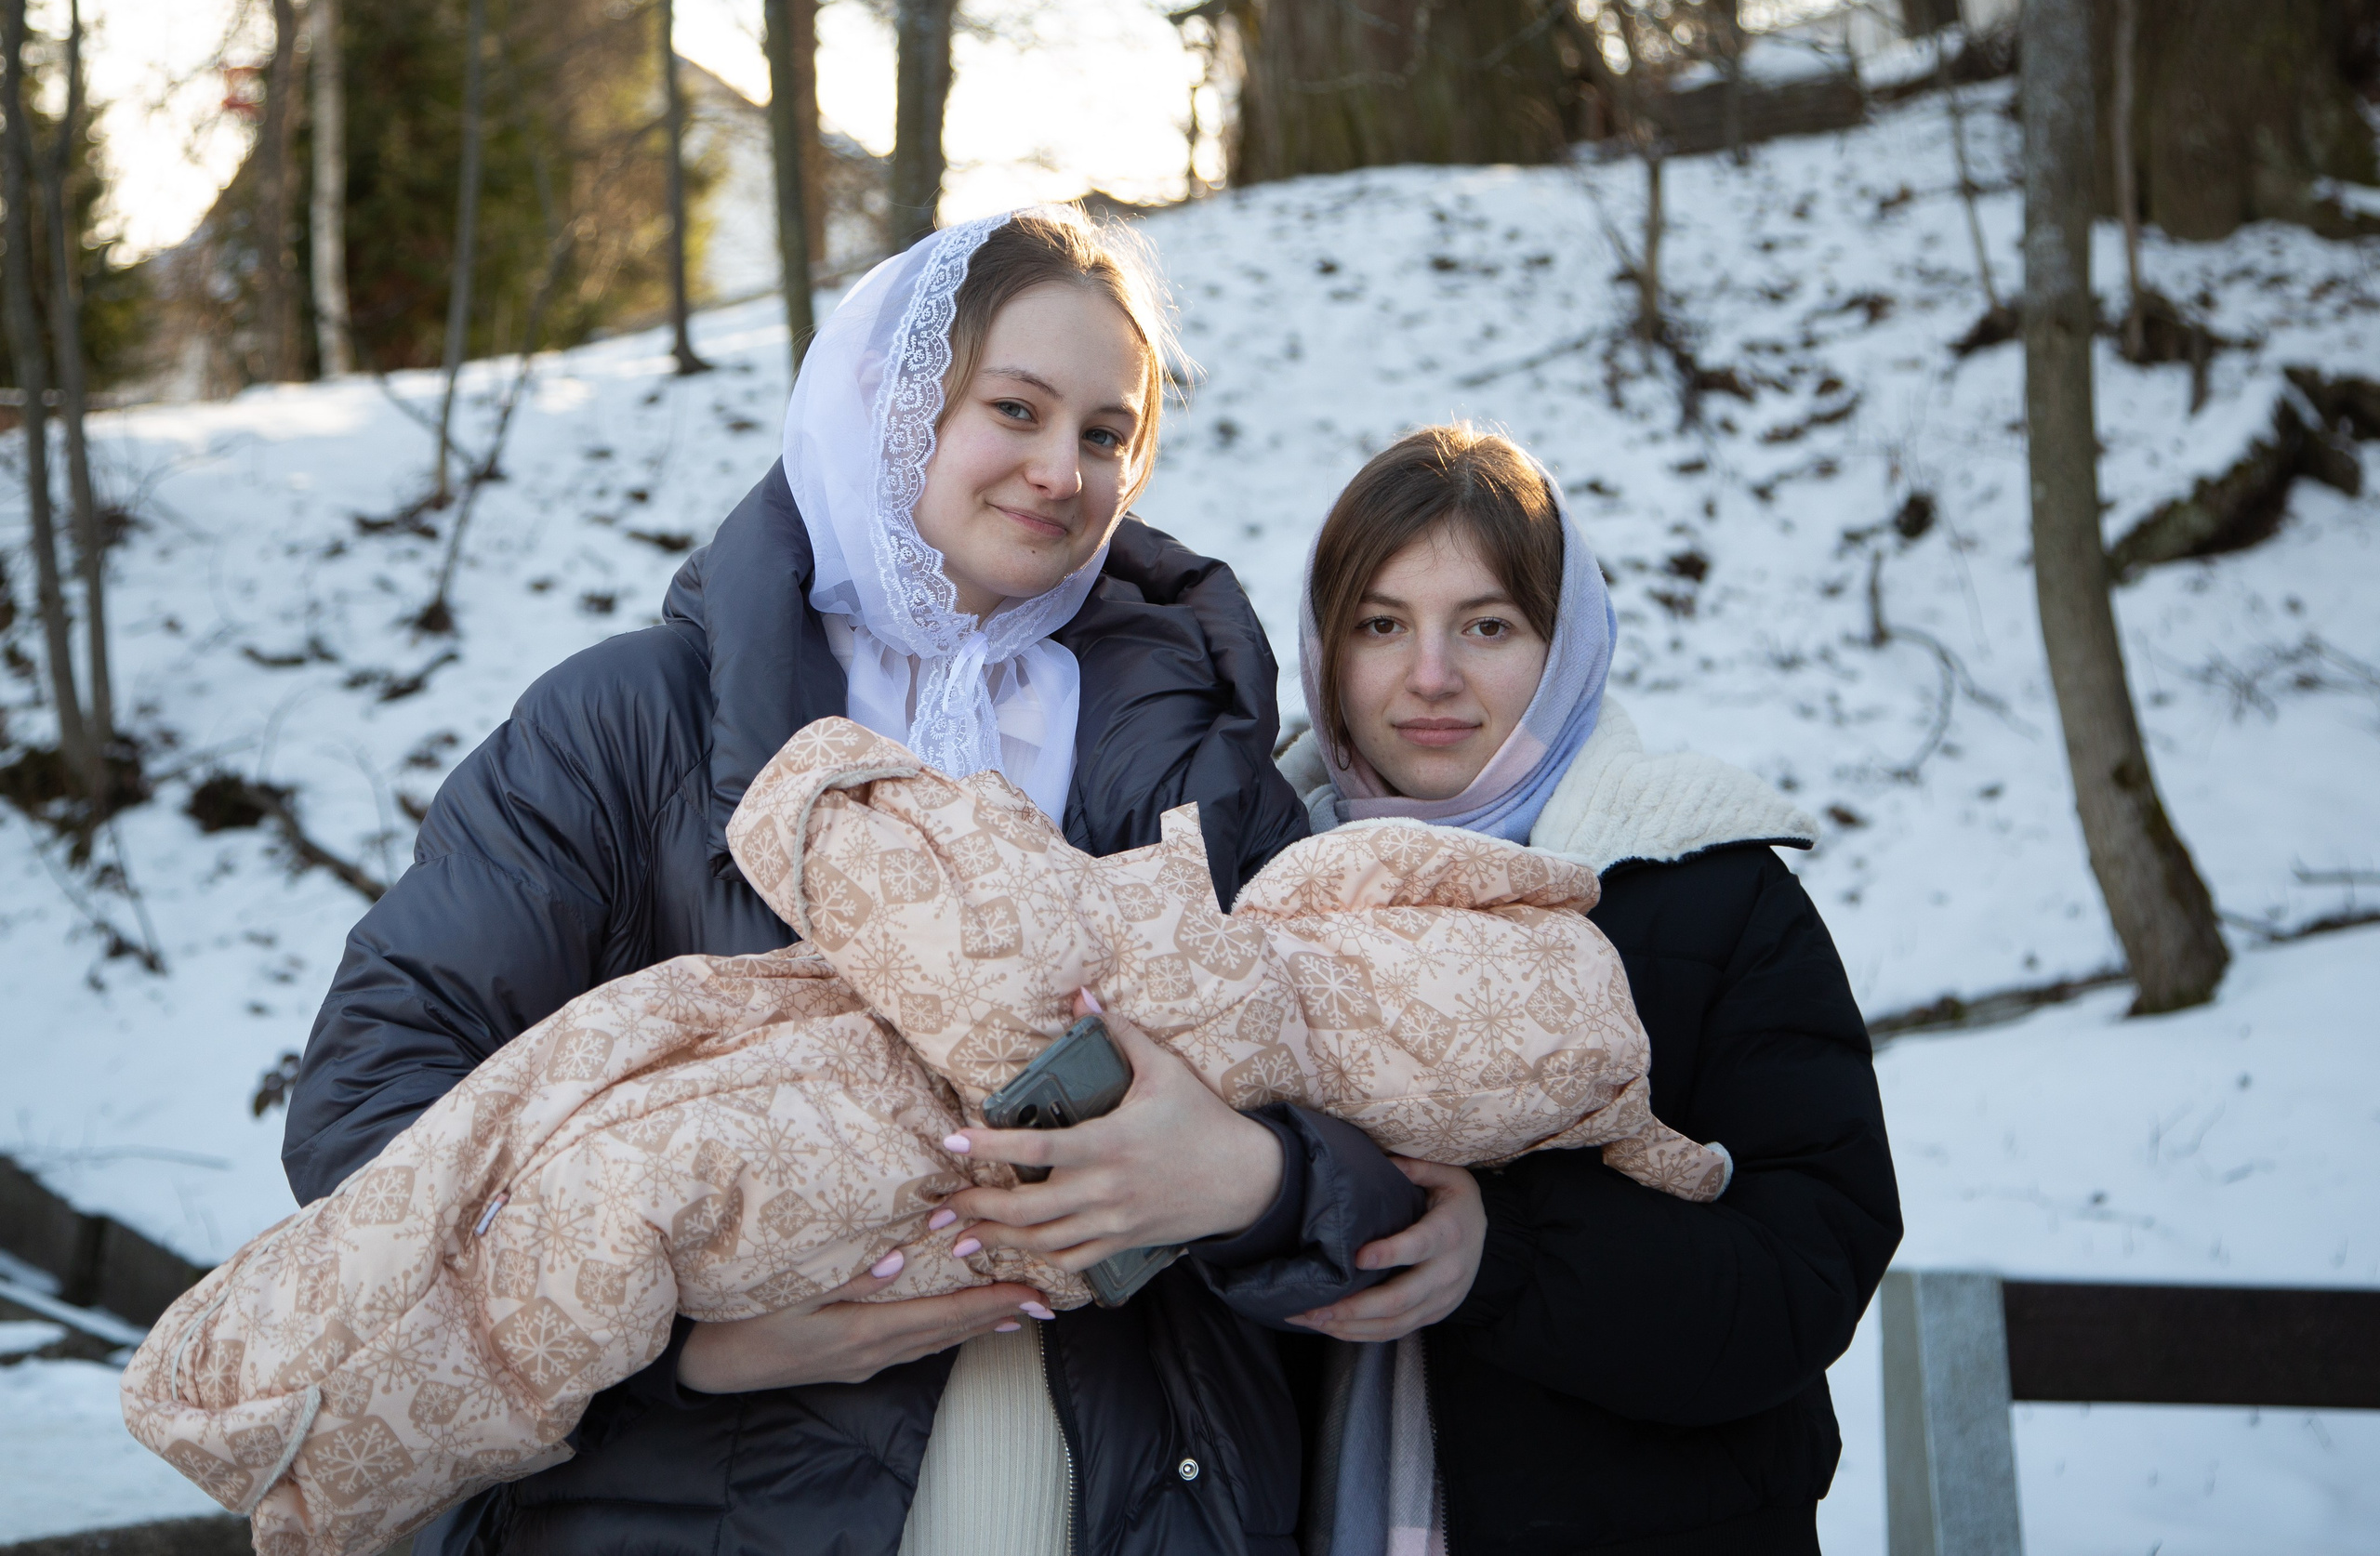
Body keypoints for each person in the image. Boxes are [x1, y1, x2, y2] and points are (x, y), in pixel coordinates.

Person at [279, 206, 1444, 1556]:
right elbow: (374, 1106)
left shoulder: (1195, 756)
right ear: (890, 403)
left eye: (1107, 431)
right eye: (1014, 406)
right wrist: (682, 1337)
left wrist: (1253, 1176)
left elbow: (1376, 1095)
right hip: (690, 1501)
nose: (1062, 468)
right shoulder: (632, 725)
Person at [1277, 423, 1903, 1555]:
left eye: (1487, 625)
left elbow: (1805, 1273)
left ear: (1565, 643)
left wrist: (1503, 1253)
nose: (1430, 676)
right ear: (1325, 648)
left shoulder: (1705, 890)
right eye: (1380, 625)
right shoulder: (1251, 896)